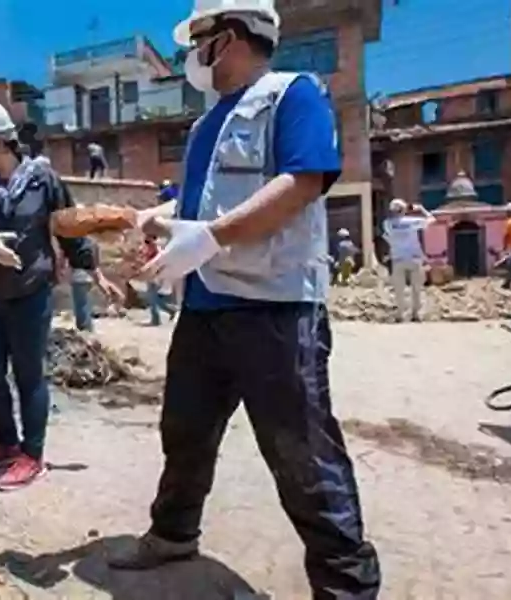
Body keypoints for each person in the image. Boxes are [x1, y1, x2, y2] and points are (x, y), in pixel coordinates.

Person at [107, 2, 382, 597]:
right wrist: (147, 222)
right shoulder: (209, 123)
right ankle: (174, 533)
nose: (189, 57)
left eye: (195, 41)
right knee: (184, 431)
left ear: (224, 38)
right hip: (206, 311)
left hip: (275, 310)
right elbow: (192, 209)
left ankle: (345, 586)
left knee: (301, 454)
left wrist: (210, 237)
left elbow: (303, 181)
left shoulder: (291, 95)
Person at [0, 99, 102, 491]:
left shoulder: (43, 180)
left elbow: (69, 226)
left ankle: (32, 456)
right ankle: (6, 443)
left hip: (30, 294)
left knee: (29, 375)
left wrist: (92, 268)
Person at [383, 198, 435, 322]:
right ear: (404, 210)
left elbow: (387, 235)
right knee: (416, 288)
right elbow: (432, 220)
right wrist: (421, 209)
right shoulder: (413, 221)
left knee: (399, 289)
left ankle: (400, 315)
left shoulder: (387, 223)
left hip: (398, 260)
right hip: (414, 259)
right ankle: (415, 314)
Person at [67, 240, 122, 333]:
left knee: (81, 304)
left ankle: (85, 329)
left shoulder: (77, 244)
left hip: (79, 276)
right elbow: (96, 260)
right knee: (85, 303)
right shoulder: (91, 243)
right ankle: (87, 327)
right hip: (88, 276)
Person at [140, 235, 178, 326]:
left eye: (148, 242)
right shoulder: (151, 249)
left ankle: (157, 319)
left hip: (157, 278)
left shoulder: (159, 252)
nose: (147, 244)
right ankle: (170, 311)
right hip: (151, 277)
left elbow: (161, 264)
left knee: (153, 299)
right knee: (153, 299)